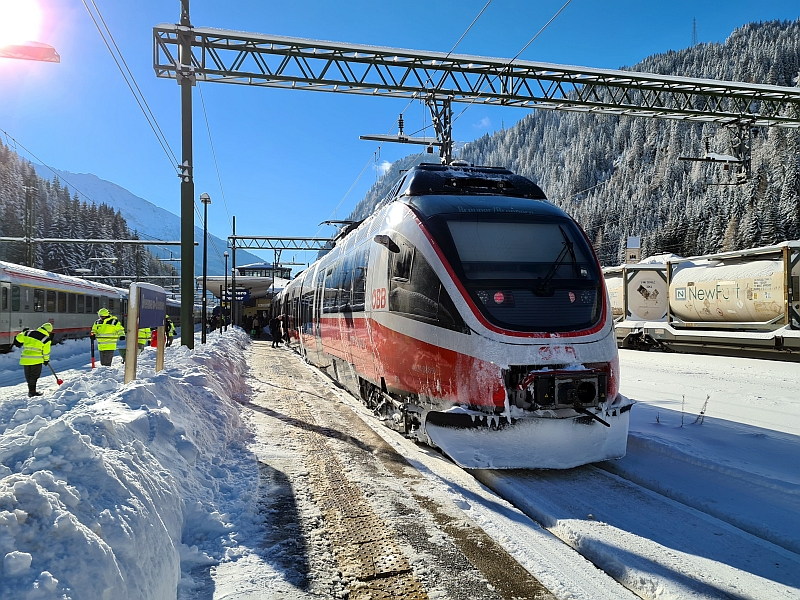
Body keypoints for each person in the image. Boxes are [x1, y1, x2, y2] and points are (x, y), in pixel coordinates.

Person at [14, 322, 52, 397]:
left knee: (28, 376)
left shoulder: (28, 333)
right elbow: (46, 352)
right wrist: (46, 360)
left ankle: (31, 390)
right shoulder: (46, 339)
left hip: (26, 359)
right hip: (36, 360)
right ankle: (32, 392)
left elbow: (18, 339)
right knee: (34, 376)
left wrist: (23, 332)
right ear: (48, 331)